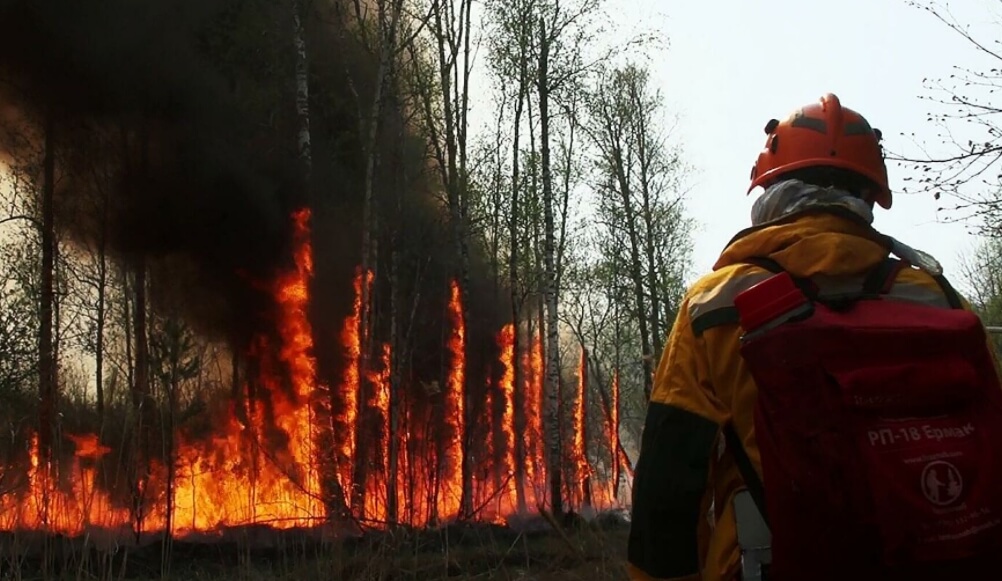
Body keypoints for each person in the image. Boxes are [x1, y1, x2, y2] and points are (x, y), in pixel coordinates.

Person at [626, 93, 1002, 581]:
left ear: (770, 191)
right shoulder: (939, 299)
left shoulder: (716, 304)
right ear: (869, 196)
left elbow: (667, 488)